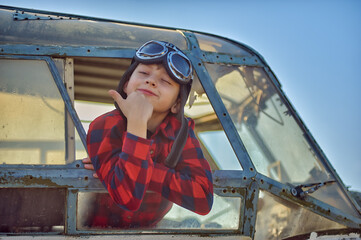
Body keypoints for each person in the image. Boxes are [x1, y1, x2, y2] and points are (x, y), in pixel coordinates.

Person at [83, 40, 213, 228]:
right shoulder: (103, 126)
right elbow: (127, 197)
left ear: (177, 104)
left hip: (150, 231)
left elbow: (203, 199)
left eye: (165, 81)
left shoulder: (180, 133)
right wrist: (137, 123)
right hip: (97, 232)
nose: (151, 81)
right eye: (143, 73)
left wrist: (144, 169)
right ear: (127, 84)